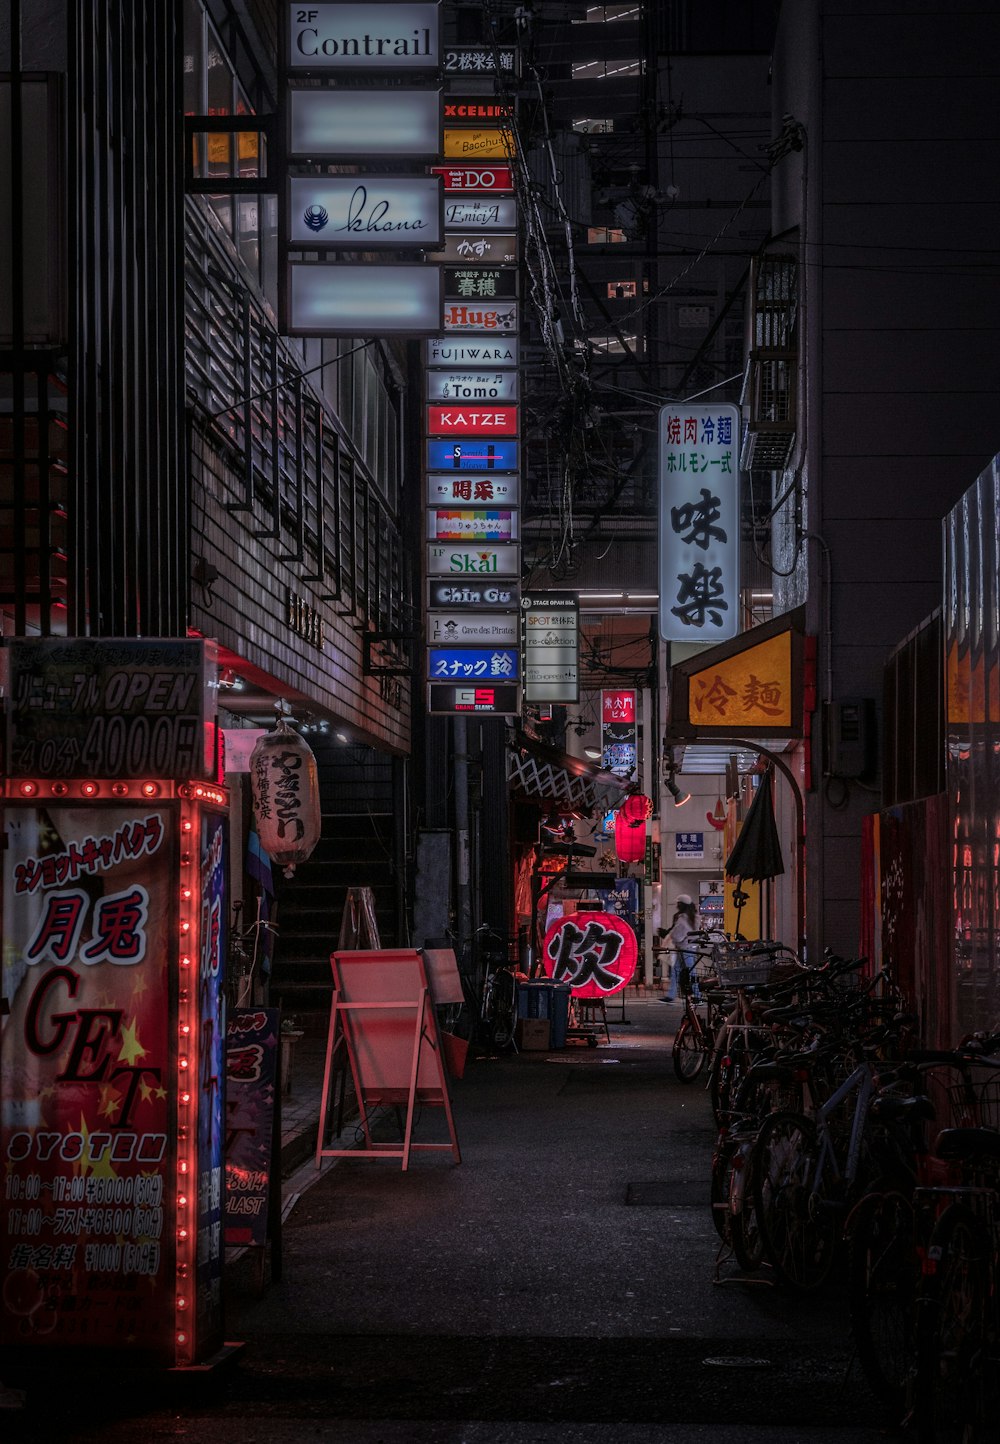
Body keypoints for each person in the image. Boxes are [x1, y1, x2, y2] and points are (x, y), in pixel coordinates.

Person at [661, 894, 701, 1002]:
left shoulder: (683, 918)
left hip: (684, 947)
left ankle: (697, 995)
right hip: (690, 947)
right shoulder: (694, 917)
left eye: (678, 904)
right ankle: (671, 995)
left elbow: (677, 935)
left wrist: (668, 934)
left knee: (688, 971)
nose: (677, 906)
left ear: (682, 905)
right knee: (678, 970)